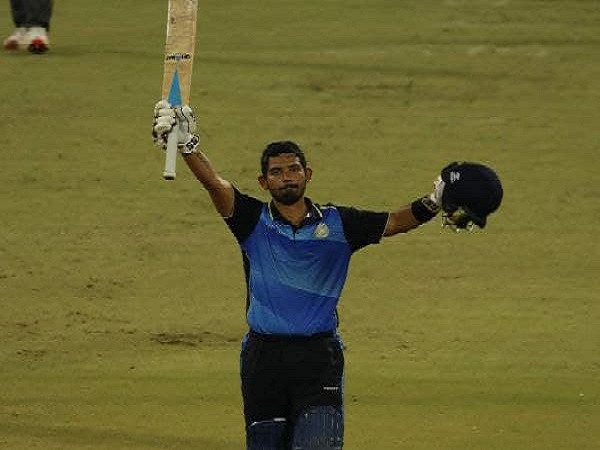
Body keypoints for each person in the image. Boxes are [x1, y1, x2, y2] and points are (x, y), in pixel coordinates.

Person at [151, 101, 500, 449]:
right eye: (276, 172)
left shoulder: (340, 223)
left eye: (293, 169)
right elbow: (215, 184)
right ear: (263, 182)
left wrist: (434, 201)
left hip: (318, 359)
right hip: (263, 359)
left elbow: (395, 222)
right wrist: (187, 146)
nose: (286, 177)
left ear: (308, 174)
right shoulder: (251, 220)